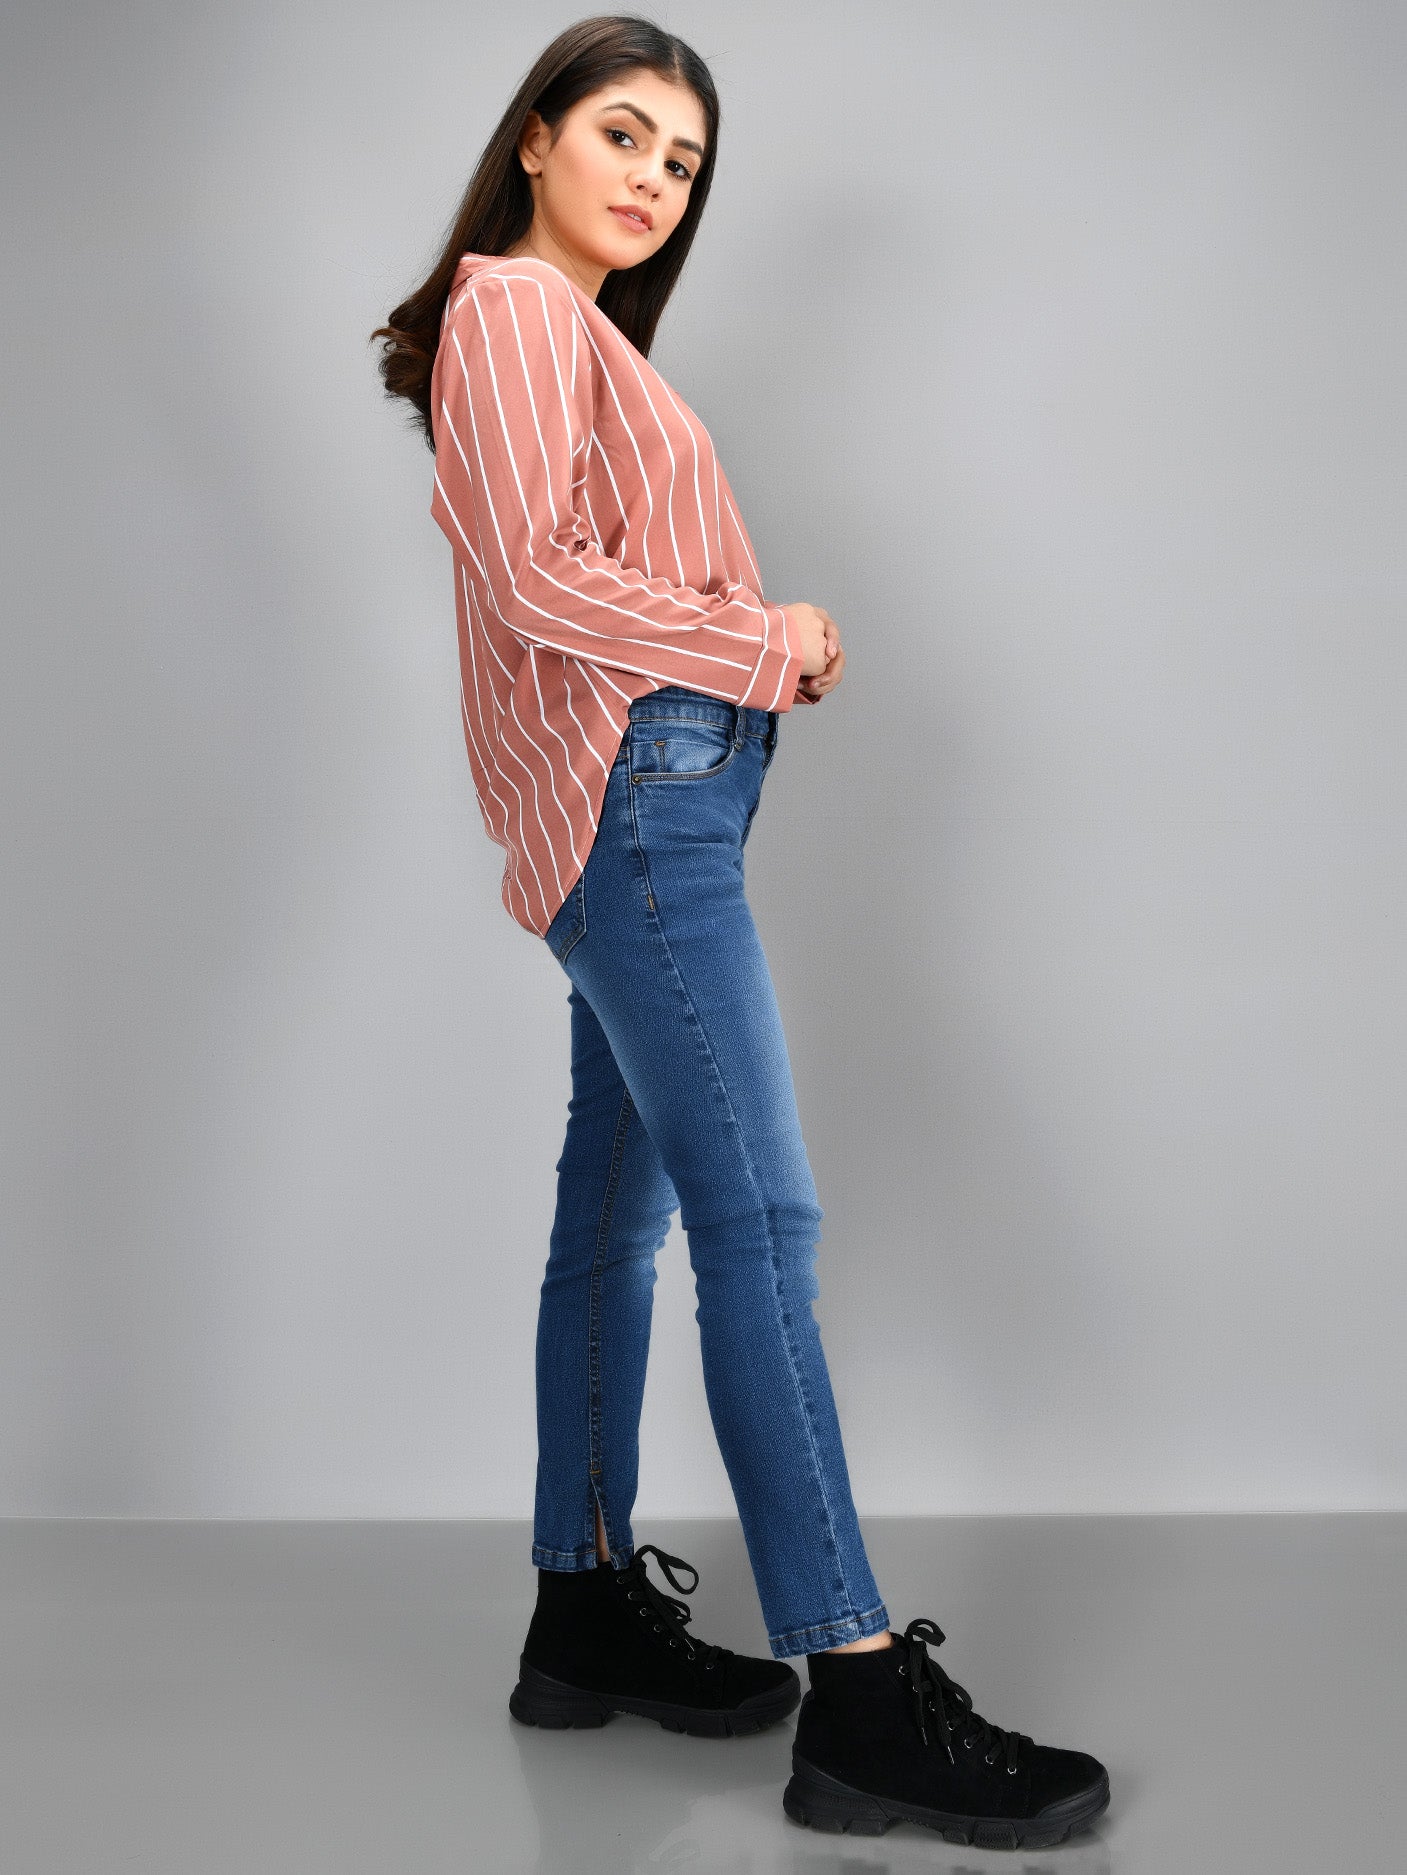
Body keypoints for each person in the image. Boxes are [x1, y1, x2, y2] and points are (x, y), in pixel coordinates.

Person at [371, 14, 1109, 1849]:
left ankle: (579, 1609)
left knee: (613, 1219)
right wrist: (757, 641)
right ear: (534, 139)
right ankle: (858, 1694)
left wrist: (749, 661)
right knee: (760, 1226)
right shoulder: (516, 310)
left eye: (683, 162)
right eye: (621, 133)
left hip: (646, 806)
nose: (652, 178)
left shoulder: (579, 333)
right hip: (642, 816)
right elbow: (534, 576)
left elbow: (571, 571)